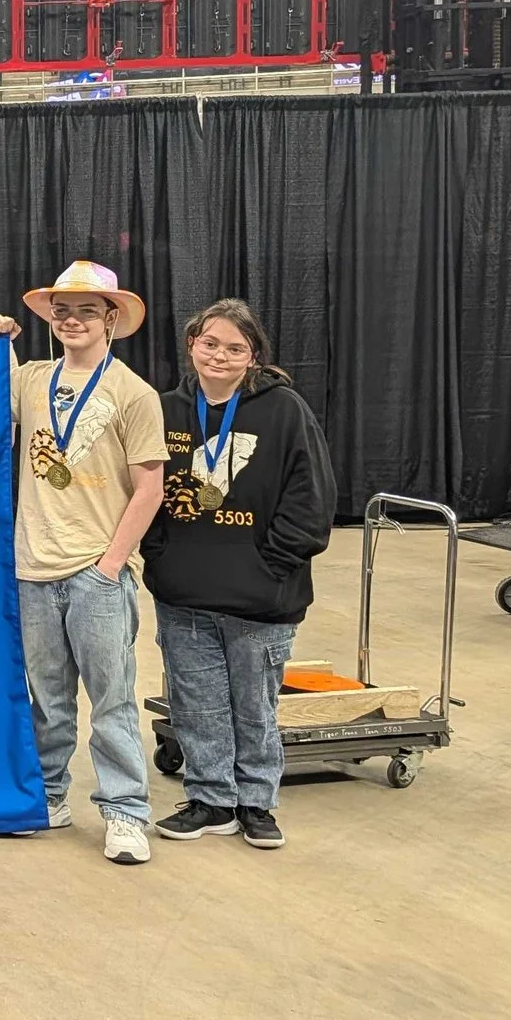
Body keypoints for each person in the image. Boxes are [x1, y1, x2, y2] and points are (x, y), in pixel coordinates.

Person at [142, 300, 334, 851]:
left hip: (260, 599)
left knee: (255, 708)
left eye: (234, 348)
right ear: (191, 346)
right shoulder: (165, 409)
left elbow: (311, 496)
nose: (219, 356)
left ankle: (256, 802)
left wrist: (273, 563)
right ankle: (211, 800)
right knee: (196, 704)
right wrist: (161, 555)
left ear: (253, 356)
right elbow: (144, 489)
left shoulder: (284, 410)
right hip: (184, 595)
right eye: (210, 343)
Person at [14, 260, 169, 865]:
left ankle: (126, 810)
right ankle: (49, 795)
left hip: (94, 572)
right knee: (46, 697)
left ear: (111, 319)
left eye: (86, 310)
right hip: (32, 566)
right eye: (62, 310)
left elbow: (150, 487)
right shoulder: (28, 379)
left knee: (112, 698)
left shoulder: (133, 393)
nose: (72, 320)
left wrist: (109, 566)